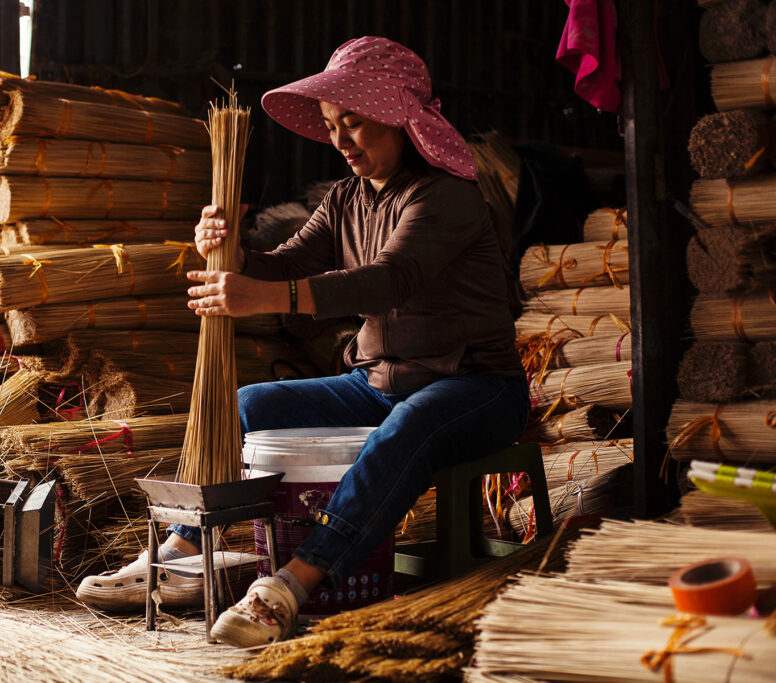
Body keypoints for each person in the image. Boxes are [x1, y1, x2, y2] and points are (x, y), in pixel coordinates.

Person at [77, 36, 529, 648]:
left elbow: (387, 280)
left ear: (401, 119)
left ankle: (290, 584)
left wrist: (260, 298)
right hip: (375, 384)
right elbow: (281, 263)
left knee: (411, 425)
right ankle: (184, 554)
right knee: (247, 406)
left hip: (473, 387)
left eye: (357, 124)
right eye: (333, 126)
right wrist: (230, 251)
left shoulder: (444, 196)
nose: (342, 142)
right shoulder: (345, 198)